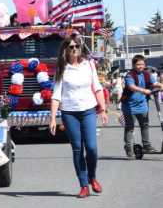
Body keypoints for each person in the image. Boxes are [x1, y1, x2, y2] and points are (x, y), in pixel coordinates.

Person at [49, 36, 108, 197]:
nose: (74, 49)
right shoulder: (62, 69)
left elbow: (97, 88)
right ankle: (83, 185)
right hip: (69, 113)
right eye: (71, 47)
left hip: (88, 110)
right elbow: (56, 95)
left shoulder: (88, 65)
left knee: (91, 147)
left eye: (77, 46)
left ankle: (92, 177)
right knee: (77, 149)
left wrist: (102, 109)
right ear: (65, 50)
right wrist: (53, 118)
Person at [121, 55, 162, 158]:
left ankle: (147, 146)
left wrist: (160, 85)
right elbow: (131, 87)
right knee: (130, 128)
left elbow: (155, 83)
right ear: (134, 65)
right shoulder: (129, 75)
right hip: (129, 106)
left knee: (145, 125)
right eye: (138, 64)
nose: (141, 66)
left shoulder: (147, 74)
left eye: (142, 64)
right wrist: (144, 90)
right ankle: (129, 147)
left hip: (142, 105)